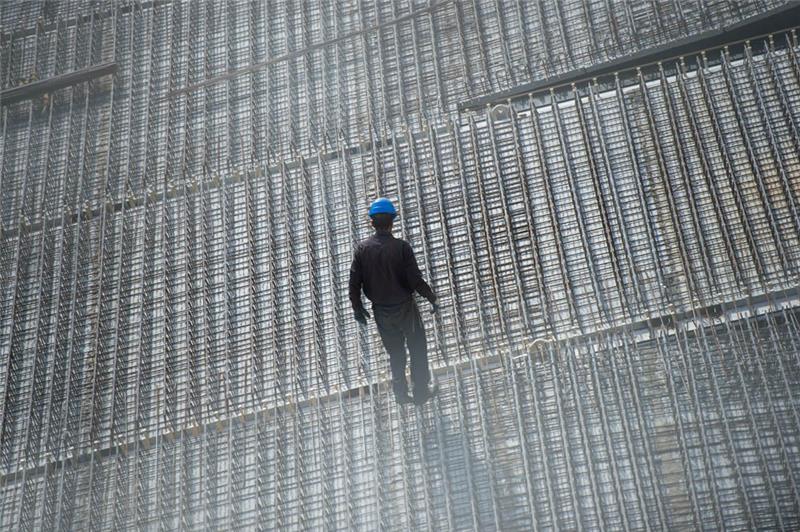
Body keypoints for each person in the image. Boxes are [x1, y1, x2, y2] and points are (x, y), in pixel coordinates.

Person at [349, 198, 439, 405]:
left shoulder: (362, 250)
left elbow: (354, 283)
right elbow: (415, 280)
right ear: (392, 222)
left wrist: (357, 308)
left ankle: (400, 393)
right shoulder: (402, 248)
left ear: (372, 222)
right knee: (417, 348)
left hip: (381, 312)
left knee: (396, 353)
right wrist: (431, 298)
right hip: (406, 309)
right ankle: (421, 392)